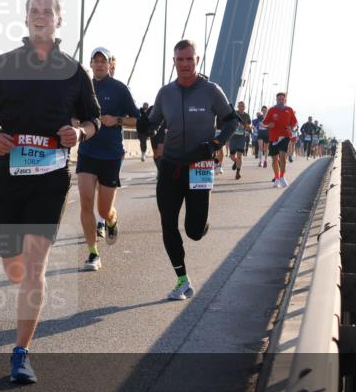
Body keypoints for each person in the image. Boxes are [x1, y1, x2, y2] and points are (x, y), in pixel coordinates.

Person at [0, 0, 100, 383]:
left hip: (51, 178)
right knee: (14, 268)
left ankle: (21, 352)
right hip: (8, 177)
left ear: (59, 20)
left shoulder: (74, 72)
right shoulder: (4, 64)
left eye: (48, 10)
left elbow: (93, 118)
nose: (41, 16)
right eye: (34, 10)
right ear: (26, 18)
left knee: (35, 265)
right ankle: (19, 281)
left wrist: (81, 133)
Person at [143, 40, 239, 301]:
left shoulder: (211, 91)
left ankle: (202, 222)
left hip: (199, 166)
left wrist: (216, 144)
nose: (184, 64)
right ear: (174, 61)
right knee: (167, 223)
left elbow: (232, 120)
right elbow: (152, 123)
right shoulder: (165, 93)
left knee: (194, 232)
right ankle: (182, 280)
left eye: (189, 59)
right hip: (170, 167)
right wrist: (143, 125)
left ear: (197, 60)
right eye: (180, 59)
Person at [76, 46, 139, 271]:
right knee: (85, 202)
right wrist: (75, 123)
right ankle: (93, 253)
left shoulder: (120, 89)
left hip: (111, 155)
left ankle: (111, 220)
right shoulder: (83, 88)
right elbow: (71, 115)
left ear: (109, 64)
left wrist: (117, 120)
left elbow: (136, 120)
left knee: (103, 210)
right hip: (87, 152)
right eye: (96, 61)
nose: (100, 64)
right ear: (91, 64)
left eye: (104, 61)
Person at [263, 92, 298, 188]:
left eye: (283, 99)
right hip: (273, 137)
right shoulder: (272, 110)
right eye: (279, 99)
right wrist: (268, 125)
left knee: (283, 157)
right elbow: (264, 123)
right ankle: (277, 177)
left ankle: (282, 176)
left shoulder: (289, 110)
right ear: (276, 100)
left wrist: (291, 127)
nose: (281, 101)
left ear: (285, 100)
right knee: (274, 159)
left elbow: (295, 122)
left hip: (285, 136)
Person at [228, 100, 252, 180]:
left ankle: (238, 172)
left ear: (245, 107)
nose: (241, 107)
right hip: (233, 137)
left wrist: (248, 126)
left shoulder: (247, 115)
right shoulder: (234, 114)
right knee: (232, 156)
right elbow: (229, 122)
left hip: (242, 137)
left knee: (239, 156)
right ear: (238, 107)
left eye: (243, 106)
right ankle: (235, 161)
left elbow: (249, 124)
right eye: (240, 106)